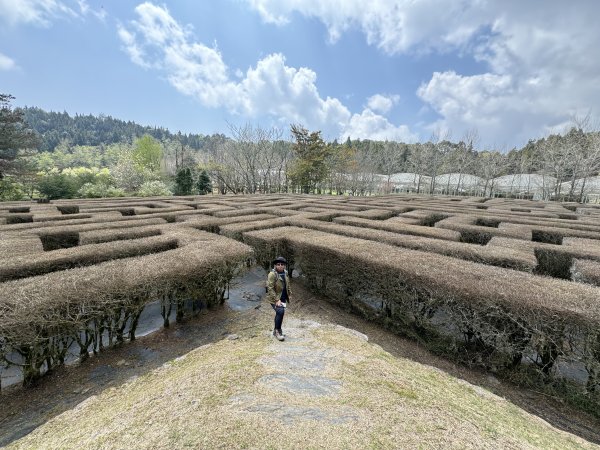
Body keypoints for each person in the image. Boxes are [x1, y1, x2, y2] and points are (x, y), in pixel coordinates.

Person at [266, 256, 292, 341]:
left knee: (280, 313)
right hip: (274, 298)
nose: (280, 266)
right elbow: (270, 288)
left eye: (282, 264)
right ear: (275, 265)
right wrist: (277, 299)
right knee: (280, 311)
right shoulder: (272, 274)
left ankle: (277, 330)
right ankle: (277, 331)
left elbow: (287, 284)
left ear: (284, 265)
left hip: (283, 297)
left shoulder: (285, 273)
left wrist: (289, 293)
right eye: (278, 264)